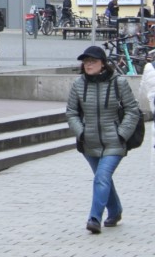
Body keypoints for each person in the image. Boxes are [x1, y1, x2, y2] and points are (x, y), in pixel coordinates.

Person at [65, 45, 140, 234]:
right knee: (103, 178)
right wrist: (81, 132)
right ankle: (115, 211)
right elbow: (71, 112)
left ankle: (94, 218)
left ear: (103, 64)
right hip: (89, 142)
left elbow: (132, 110)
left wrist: (121, 134)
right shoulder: (78, 84)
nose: (88, 65)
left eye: (93, 61)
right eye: (86, 61)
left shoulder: (118, 83)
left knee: (101, 177)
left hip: (114, 142)